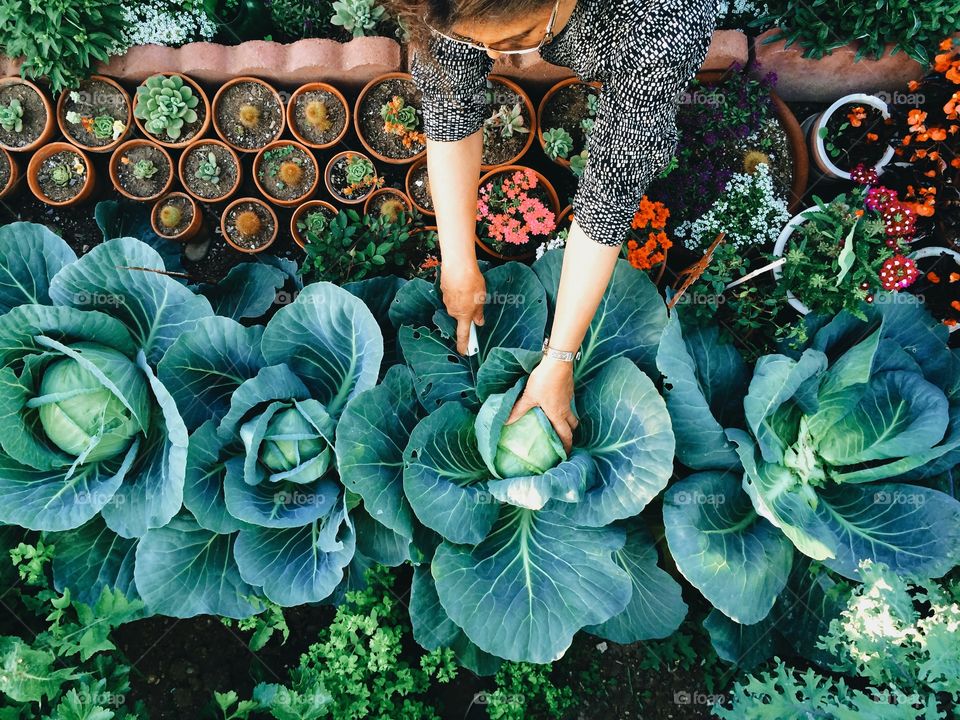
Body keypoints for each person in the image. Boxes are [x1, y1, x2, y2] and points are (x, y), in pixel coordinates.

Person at [394, 0, 715, 452]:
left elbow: (610, 193)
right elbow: (450, 105)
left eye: (513, 41)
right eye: (471, 41)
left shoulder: (664, 22)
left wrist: (560, 360)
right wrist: (459, 262)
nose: (497, 59)